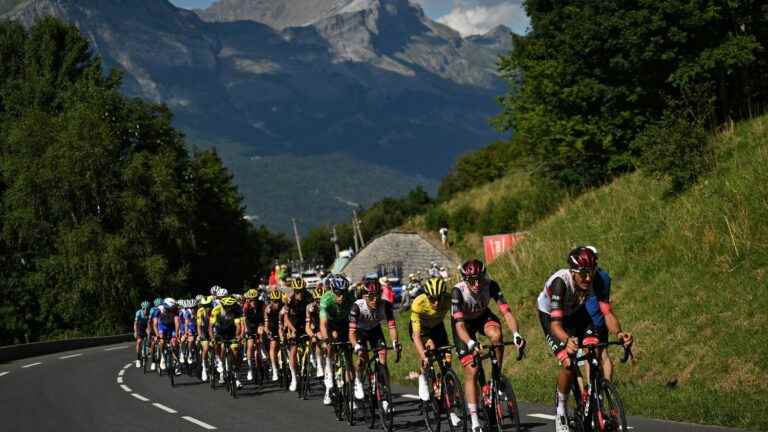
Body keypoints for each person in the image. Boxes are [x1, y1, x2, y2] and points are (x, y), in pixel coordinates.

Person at [537, 246, 633, 432]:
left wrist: (619, 334)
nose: (588, 278)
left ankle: (592, 394)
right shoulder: (560, 283)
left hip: (576, 312)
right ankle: (561, 410)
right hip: (551, 317)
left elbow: (606, 312)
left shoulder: (593, 281)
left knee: (593, 346)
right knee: (568, 362)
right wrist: (567, 340)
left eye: (591, 272)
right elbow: (556, 326)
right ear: (573, 272)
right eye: (583, 274)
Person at [451, 259, 526, 432]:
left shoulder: (491, 285)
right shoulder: (458, 291)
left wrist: (516, 334)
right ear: (465, 279)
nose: (476, 284)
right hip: (463, 325)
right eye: (471, 280)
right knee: (472, 369)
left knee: (497, 335)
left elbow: (506, 312)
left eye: (479, 279)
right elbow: (460, 326)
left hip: (482, 316)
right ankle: (475, 420)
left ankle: (497, 377)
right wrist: (470, 342)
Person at [349, 279, 401, 410]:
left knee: (383, 361)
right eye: (371, 296)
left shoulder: (386, 305)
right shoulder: (357, 306)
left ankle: (385, 394)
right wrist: (356, 346)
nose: (375, 300)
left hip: (375, 331)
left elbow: (392, 327)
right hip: (360, 332)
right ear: (364, 296)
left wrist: (395, 342)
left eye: (378, 295)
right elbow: (351, 333)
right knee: (362, 358)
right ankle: (358, 381)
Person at [410, 278, 451, 402]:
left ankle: (442, 387)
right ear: (427, 296)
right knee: (430, 347)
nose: (437, 303)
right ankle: (423, 376)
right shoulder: (418, 303)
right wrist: (424, 356)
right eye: (432, 299)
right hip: (422, 329)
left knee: (447, 360)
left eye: (439, 298)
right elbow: (415, 336)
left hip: (437, 327)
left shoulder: (449, 300)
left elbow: (458, 323)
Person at [319, 274, 356, 405]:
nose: (340, 296)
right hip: (331, 324)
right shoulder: (326, 298)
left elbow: (356, 320)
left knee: (348, 358)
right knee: (330, 344)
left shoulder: (351, 298)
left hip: (345, 324)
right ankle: (329, 376)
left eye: (343, 292)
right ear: (332, 290)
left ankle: (350, 393)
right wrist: (326, 339)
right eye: (337, 292)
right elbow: (323, 324)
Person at [283, 277, 311, 391]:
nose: (299, 294)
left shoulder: (309, 297)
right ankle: (294, 378)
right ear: (294, 291)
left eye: (301, 291)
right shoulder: (289, 299)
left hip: (306, 324)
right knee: (293, 352)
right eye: (297, 291)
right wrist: (292, 329)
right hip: (294, 325)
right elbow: (286, 317)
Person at [242, 288, 265, 382]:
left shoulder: (262, 304)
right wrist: (246, 330)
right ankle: (250, 368)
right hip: (250, 325)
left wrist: (263, 327)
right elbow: (244, 320)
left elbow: (265, 317)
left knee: (262, 336)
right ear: (248, 300)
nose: (253, 302)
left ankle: (263, 351)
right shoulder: (246, 306)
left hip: (259, 324)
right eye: (251, 300)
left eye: (255, 299)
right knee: (250, 345)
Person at [305, 284, 326, 378]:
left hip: (328, 325)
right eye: (317, 300)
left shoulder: (328, 305)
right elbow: (307, 326)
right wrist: (313, 336)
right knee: (318, 339)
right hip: (317, 326)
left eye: (321, 300)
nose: (319, 302)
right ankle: (319, 365)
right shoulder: (310, 308)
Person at [196, 295, 214, 381]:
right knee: (206, 347)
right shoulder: (200, 311)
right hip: (204, 330)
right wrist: (200, 335)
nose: (207, 308)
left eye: (208, 306)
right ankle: (204, 368)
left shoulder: (214, 310)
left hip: (213, 330)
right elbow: (199, 326)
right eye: (205, 306)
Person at [133, 300, 151, 368]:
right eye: (144, 309)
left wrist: (149, 333)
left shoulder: (149, 314)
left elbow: (149, 325)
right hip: (139, 327)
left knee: (149, 337)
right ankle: (138, 359)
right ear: (142, 308)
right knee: (139, 341)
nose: (145, 310)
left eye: (147, 309)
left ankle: (147, 349)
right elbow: (135, 323)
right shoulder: (139, 312)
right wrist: (135, 331)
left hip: (146, 327)